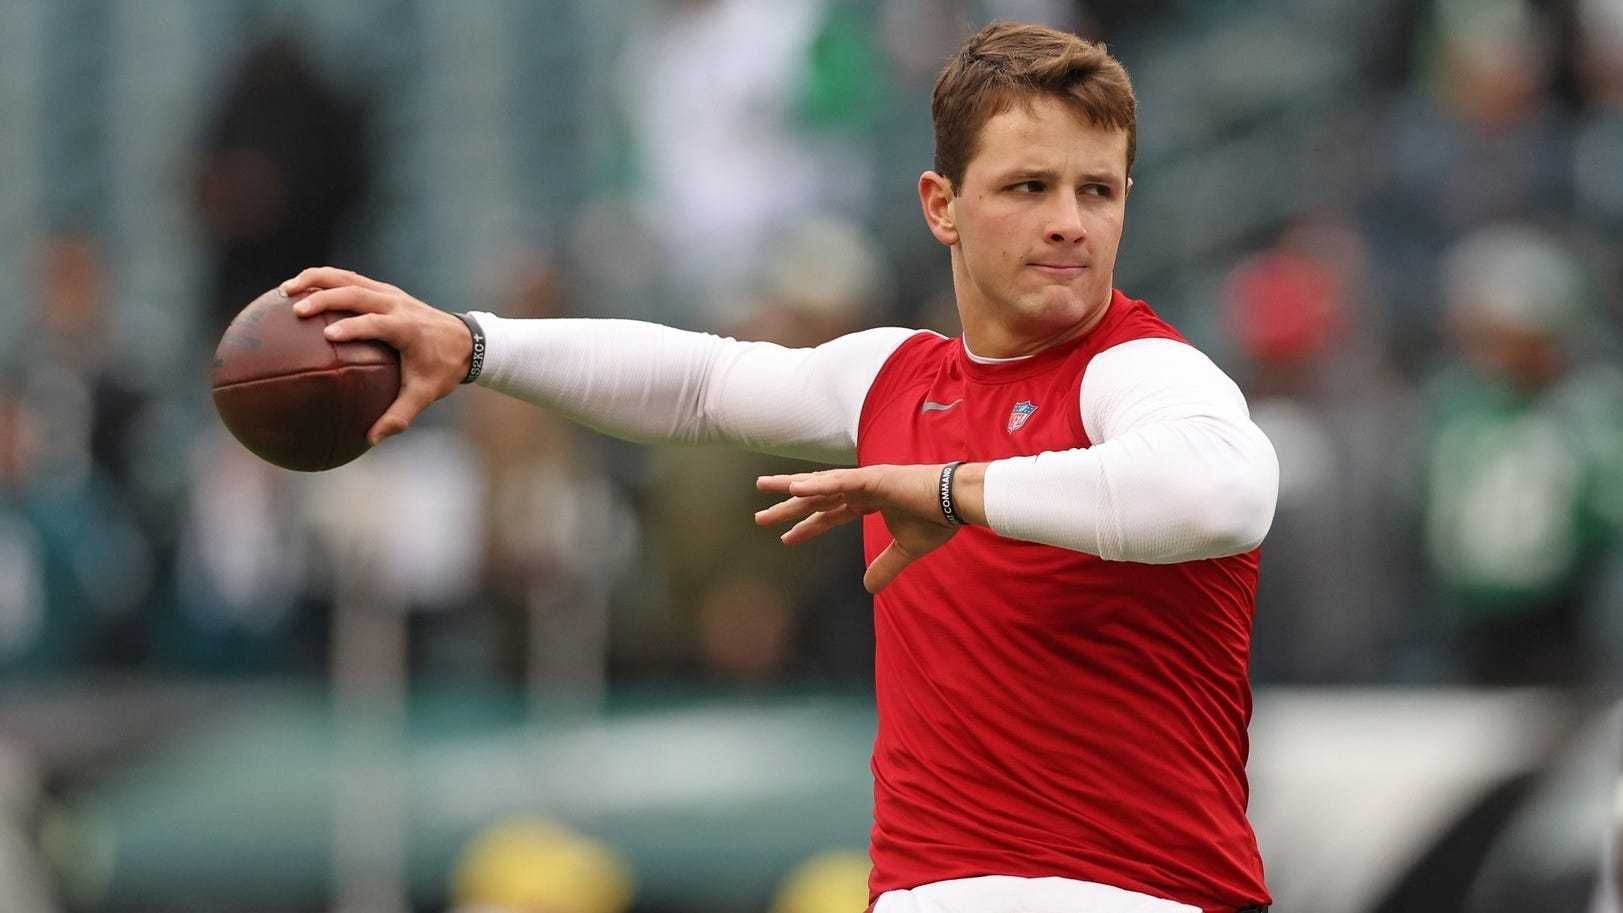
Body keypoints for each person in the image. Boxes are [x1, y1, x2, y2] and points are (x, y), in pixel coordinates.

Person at [280, 21, 1279, 913]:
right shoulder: (896, 377)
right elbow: (700, 382)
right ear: (941, 205)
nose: (1070, 221)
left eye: (1096, 190)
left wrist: (949, 491)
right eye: (1029, 186)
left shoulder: (1137, 369)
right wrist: (475, 343)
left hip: (1134, 892)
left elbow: (1220, 495)